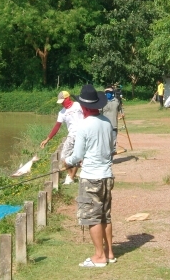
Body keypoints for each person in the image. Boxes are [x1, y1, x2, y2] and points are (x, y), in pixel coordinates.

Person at [64, 85, 115, 267]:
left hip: (91, 177)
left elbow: (77, 156)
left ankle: (99, 257)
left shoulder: (83, 126)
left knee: (92, 217)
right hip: (107, 175)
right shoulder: (107, 123)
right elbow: (110, 149)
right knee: (105, 216)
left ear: (84, 107)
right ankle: (109, 253)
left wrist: (67, 161)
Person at [40, 91, 83, 185]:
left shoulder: (78, 105)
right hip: (72, 136)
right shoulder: (62, 112)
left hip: (83, 135)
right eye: (61, 102)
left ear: (68, 98)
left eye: (63, 101)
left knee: (78, 157)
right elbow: (57, 126)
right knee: (64, 157)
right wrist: (47, 139)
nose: (62, 104)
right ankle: (71, 175)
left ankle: (71, 178)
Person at [100, 85, 123, 154]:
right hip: (104, 125)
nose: (108, 93)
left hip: (114, 124)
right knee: (105, 141)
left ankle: (111, 156)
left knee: (113, 141)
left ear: (112, 92)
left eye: (109, 92)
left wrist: (122, 114)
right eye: (106, 92)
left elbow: (120, 109)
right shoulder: (102, 102)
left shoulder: (116, 101)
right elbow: (99, 112)